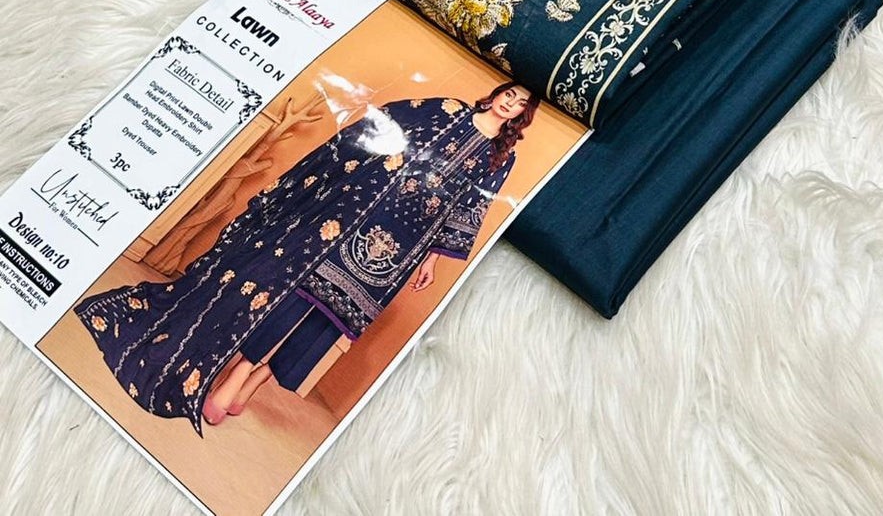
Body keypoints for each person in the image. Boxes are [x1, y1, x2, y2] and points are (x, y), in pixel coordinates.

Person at [75, 83, 538, 435]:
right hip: (350, 213)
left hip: (399, 248)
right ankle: (236, 378)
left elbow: (466, 212)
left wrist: (431, 261)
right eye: (509, 94)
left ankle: (254, 386)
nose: (509, 104)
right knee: (295, 297)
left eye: (519, 104)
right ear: (497, 93)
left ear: (523, 115)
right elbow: (378, 128)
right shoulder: (445, 108)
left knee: (331, 320)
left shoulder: (503, 158)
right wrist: (368, 173)